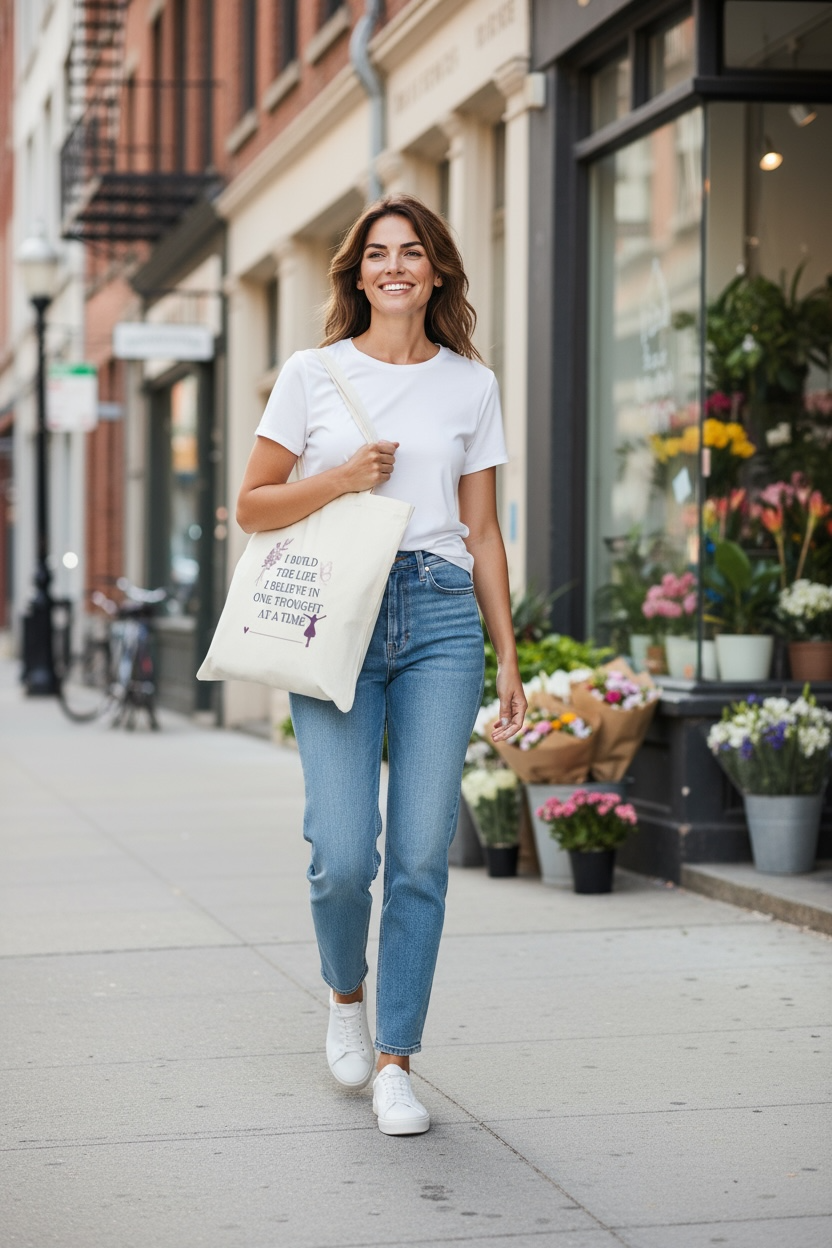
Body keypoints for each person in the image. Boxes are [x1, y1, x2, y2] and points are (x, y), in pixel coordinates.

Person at [237, 194, 526, 1136]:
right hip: (337, 614)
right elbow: (253, 504)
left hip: (441, 615)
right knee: (341, 853)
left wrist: (509, 656)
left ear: (437, 272)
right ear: (356, 275)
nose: (393, 266)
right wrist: (342, 478)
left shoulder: (471, 385)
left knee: (420, 857)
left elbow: (483, 531)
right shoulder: (312, 373)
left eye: (411, 253)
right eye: (376, 254)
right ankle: (344, 996)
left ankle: (397, 1059)